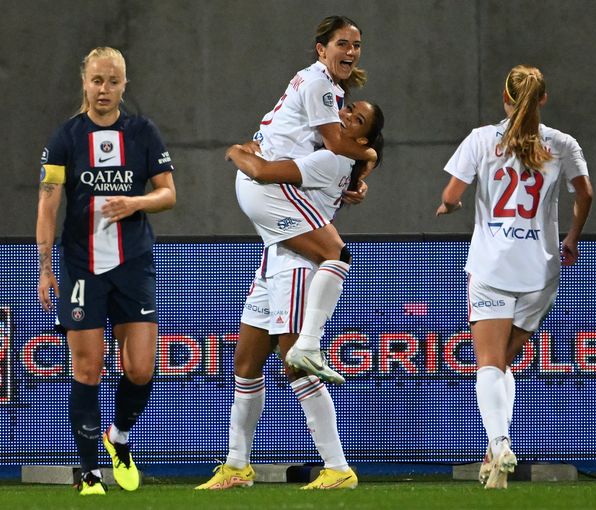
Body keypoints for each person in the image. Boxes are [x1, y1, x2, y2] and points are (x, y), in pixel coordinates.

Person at [195, 15, 380, 491]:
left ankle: (337, 467)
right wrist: (369, 160)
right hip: (275, 245)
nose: (352, 51)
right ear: (322, 49)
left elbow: (265, 170)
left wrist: (238, 153)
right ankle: (237, 464)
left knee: (297, 358)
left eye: (356, 45)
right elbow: (345, 149)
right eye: (345, 43)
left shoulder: (329, 144)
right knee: (244, 362)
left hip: (293, 257)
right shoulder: (330, 111)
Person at [436, 65, 593, 489]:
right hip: (541, 270)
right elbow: (586, 194)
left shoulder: (482, 139)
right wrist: (572, 238)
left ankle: (500, 442)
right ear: (543, 99)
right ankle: (494, 454)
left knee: (488, 362)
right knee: (503, 361)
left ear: (503, 98)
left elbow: (452, 195)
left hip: (491, 267)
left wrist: (449, 207)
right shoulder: (562, 143)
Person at [36, 47, 176, 495]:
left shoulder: (143, 132)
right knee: (88, 369)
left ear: (124, 85)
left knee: (140, 369)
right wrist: (44, 267)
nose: (104, 89)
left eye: (112, 81)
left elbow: (168, 193)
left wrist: (135, 202)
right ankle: (90, 474)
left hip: (133, 263)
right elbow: (48, 202)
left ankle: (119, 436)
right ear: (84, 81)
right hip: (82, 267)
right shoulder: (65, 138)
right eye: (97, 80)